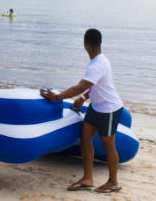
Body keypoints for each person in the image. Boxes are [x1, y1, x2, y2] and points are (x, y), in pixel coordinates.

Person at [40, 28, 123, 194]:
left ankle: (113, 182)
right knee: (85, 138)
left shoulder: (98, 63)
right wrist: (84, 97)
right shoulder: (98, 60)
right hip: (96, 107)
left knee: (108, 144)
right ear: (99, 43)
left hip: (109, 109)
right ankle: (87, 178)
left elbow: (79, 87)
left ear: (85, 44)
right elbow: (92, 85)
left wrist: (56, 97)